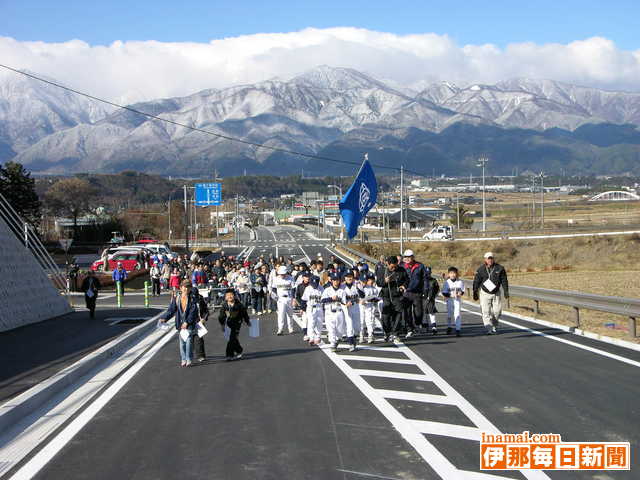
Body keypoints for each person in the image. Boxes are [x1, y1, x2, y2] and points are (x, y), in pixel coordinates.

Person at [159, 279, 200, 367]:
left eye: (188, 287)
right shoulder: (177, 298)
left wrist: (187, 322)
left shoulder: (192, 298)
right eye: (185, 287)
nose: (186, 289)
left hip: (189, 324)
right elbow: (171, 309)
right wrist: (164, 318)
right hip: (179, 323)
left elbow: (193, 312)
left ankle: (189, 358)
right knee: (182, 343)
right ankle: (183, 358)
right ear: (181, 288)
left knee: (188, 340)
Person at [472, 252, 509, 335]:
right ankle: (489, 328)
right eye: (488, 258)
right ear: (485, 259)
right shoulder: (481, 269)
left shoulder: (500, 268)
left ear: (493, 259)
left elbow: (504, 280)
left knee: (497, 312)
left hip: (496, 293)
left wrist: (506, 291)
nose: (490, 260)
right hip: (485, 293)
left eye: (491, 258)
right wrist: (475, 292)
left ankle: (494, 326)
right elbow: (476, 281)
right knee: (486, 312)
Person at [376, 256, 409, 342]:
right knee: (385, 316)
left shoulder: (401, 270)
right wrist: (385, 281)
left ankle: (395, 333)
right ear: (387, 264)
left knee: (398, 314)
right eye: (392, 266)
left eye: (395, 266)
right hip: (386, 296)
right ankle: (387, 332)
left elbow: (407, 280)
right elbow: (378, 283)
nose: (393, 268)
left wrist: (403, 286)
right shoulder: (382, 270)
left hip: (397, 296)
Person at [218, 289, 251, 361]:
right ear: (225, 297)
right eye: (228, 295)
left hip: (237, 323)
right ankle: (239, 350)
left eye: (231, 295)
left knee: (232, 338)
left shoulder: (239, 305)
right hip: (228, 323)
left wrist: (247, 321)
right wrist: (222, 324)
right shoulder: (224, 305)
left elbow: (244, 314)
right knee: (234, 339)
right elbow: (221, 316)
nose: (230, 296)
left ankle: (229, 355)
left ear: (234, 296)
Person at [401, 249, 427, 337]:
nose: (407, 259)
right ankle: (410, 329)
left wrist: (425, 291)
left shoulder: (420, 266)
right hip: (406, 292)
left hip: (417, 293)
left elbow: (425, 279)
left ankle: (417, 324)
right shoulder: (402, 267)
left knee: (418, 312)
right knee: (407, 312)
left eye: (409, 257)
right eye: (406, 257)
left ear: (413, 257)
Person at [321, 273, 347, 352]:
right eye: (334, 280)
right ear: (331, 281)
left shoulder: (342, 291)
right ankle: (333, 344)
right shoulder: (327, 290)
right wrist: (331, 298)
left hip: (339, 312)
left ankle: (337, 340)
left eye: (337, 280)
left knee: (340, 332)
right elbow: (322, 300)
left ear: (339, 281)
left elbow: (344, 303)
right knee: (331, 329)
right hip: (329, 312)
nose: (336, 282)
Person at [342, 271, 364, 350]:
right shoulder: (342, 286)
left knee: (357, 328)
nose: (349, 278)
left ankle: (353, 340)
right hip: (347, 308)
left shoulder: (357, 285)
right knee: (349, 325)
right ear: (345, 278)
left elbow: (363, 295)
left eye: (350, 276)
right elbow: (339, 298)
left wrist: (358, 288)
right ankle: (351, 343)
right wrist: (344, 304)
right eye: (347, 276)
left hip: (356, 307)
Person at [301, 275, 324, 345]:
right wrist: (303, 309)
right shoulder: (308, 289)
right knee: (311, 323)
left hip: (319, 307)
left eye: (316, 284)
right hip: (310, 308)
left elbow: (324, 299)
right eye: (313, 284)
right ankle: (311, 338)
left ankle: (318, 337)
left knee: (319, 323)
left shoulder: (321, 288)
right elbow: (303, 300)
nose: (314, 285)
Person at [272, 265, 295, 335]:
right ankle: (280, 329)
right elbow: (274, 289)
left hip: (289, 298)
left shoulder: (290, 278)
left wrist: (294, 299)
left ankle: (290, 328)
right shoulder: (276, 279)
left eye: (283, 274)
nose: (282, 275)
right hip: (280, 299)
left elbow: (294, 289)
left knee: (290, 315)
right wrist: (275, 297)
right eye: (281, 274)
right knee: (281, 315)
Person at [442, 266, 464, 336]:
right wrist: (450, 295)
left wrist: (460, 293)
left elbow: (462, 290)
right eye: (451, 273)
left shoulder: (460, 282)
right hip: (450, 300)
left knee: (457, 314)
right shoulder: (447, 282)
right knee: (449, 315)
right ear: (448, 274)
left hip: (457, 300)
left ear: (456, 274)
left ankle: (458, 329)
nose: (453, 275)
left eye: (454, 273)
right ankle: (449, 327)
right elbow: (444, 292)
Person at [360, 274, 381, 344]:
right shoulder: (361, 287)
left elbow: (377, 297)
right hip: (361, 306)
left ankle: (370, 336)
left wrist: (375, 299)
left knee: (370, 321)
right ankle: (361, 336)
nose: (371, 281)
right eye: (369, 279)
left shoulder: (374, 289)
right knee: (361, 321)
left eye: (372, 279)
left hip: (370, 306)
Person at [192, 288, 210, 362]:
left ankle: (201, 355)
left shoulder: (200, 299)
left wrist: (204, 318)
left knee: (199, 339)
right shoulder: (187, 299)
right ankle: (189, 355)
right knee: (190, 339)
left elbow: (206, 310)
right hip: (189, 322)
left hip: (199, 321)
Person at [423, 267, 440, 334]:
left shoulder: (433, 280)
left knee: (431, 312)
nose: (428, 274)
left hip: (431, 299)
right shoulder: (422, 280)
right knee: (424, 313)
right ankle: (425, 326)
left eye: (429, 273)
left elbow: (437, 289)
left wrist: (434, 296)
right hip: (423, 298)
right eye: (426, 273)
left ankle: (433, 327)